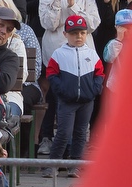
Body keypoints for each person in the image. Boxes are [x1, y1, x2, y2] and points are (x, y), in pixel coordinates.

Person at [44, 15, 104, 174]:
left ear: (86, 34)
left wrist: (94, 90)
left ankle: (75, 166)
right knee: (63, 132)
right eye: (73, 33)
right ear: (65, 34)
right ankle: (53, 165)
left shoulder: (91, 54)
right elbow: (51, 74)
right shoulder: (59, 54)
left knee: (81, 133)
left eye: (82, 33)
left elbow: (100, 74)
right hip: (66, 101)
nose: (78, 36)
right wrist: (61, 90)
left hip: (87, 101)